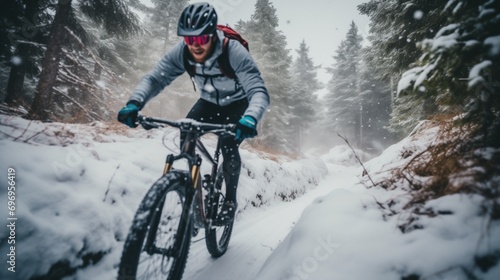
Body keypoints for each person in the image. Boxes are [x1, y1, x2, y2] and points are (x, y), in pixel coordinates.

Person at [117, 2, 270, 225]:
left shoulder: (232, 51)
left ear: (212, 34)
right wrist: (134, 103)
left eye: (200, 39)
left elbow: (257, 90)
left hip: (238, 104)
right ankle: (194, 194)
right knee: (186, 133)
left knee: (228, 145)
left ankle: (229, 201)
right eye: (189, 39)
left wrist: (250, 118)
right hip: (208, 102)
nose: (195, 45)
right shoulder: (183, 51)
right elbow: (156, 78)